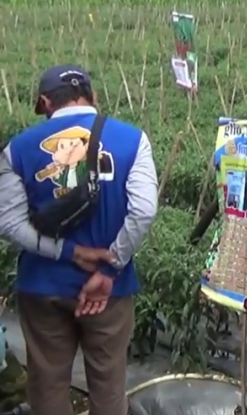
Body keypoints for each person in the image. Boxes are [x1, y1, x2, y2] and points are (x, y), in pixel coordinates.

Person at [0, 65, 159, 415]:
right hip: (109, 293)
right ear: (93, 97)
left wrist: (69, 252)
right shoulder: (133, 140)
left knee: (48, 385)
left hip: (43, 287)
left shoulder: (17, 150)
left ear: (45, 102)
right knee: (107, 386)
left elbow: (9, 222)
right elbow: (144, 211)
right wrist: (111, 265)